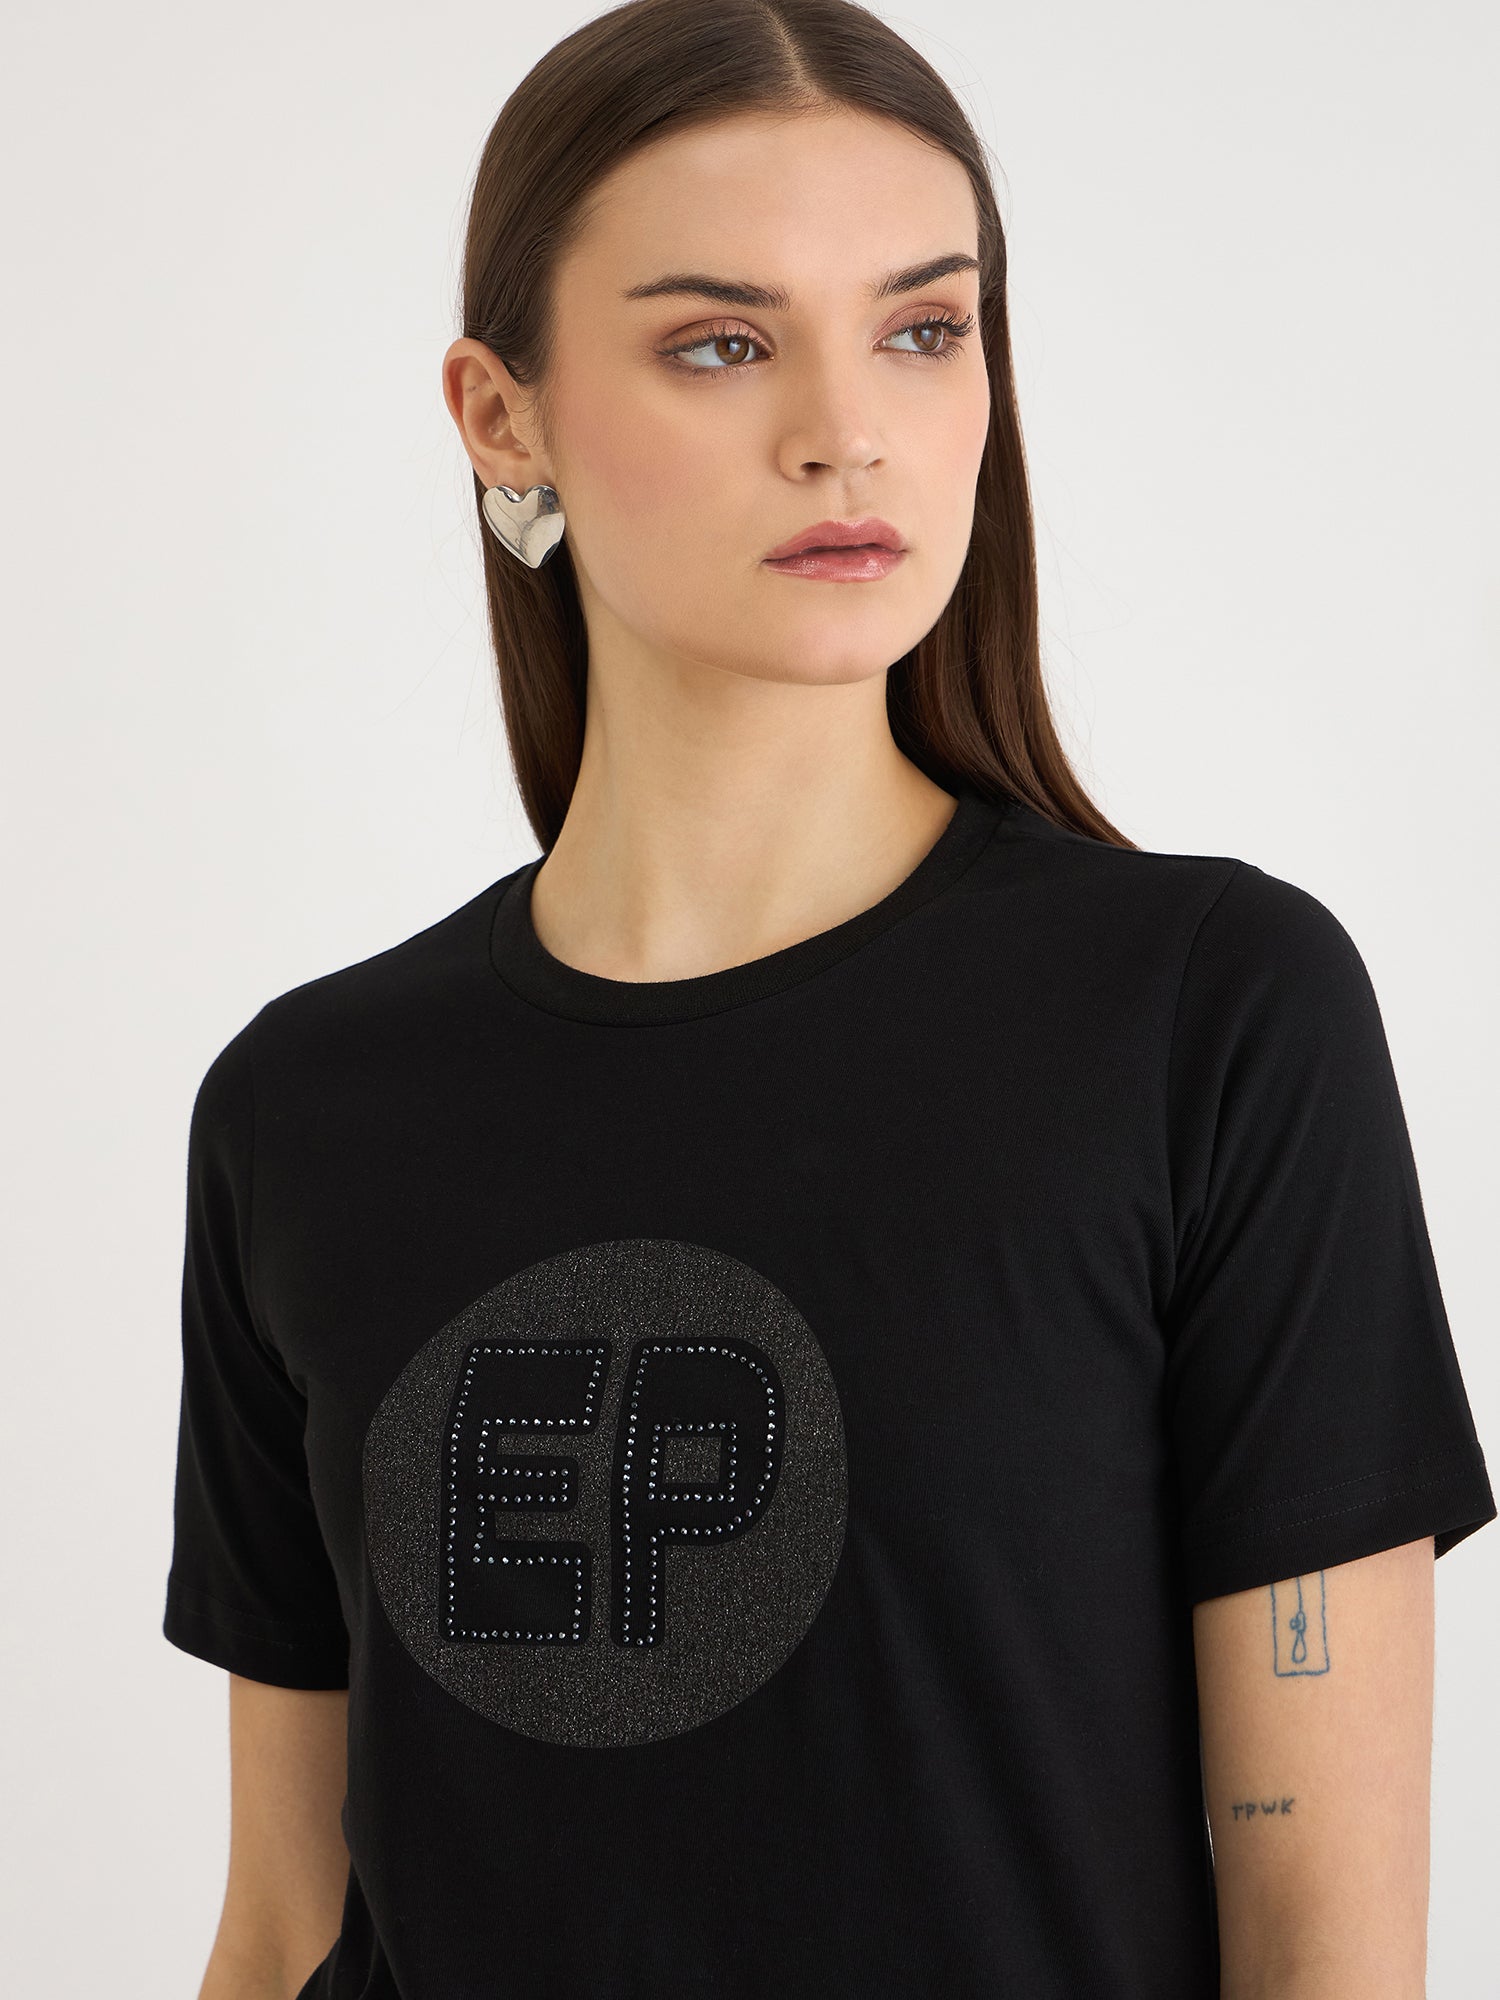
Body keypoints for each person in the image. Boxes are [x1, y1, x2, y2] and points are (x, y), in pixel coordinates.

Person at [161, 2, 1495, 1995]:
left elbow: (1329, 1947)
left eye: (923, 328)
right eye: (721, 343)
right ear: (501, 420)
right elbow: (283, 1921)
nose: (845, 429)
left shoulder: (1207, 1017)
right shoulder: (306, 1106)